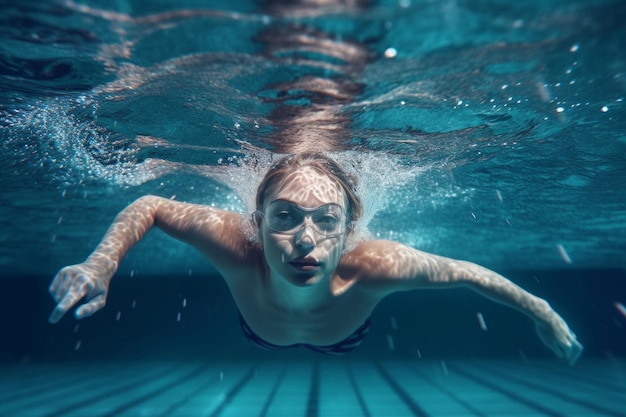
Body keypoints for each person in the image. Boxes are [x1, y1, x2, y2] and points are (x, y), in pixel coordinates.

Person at [49, 152, 583, 363]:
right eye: (284, 217)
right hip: (257, 329)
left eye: (326, 221)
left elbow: (469, 275)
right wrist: (101, 264)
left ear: (348, 230)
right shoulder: (238, 245)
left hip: (345, 336)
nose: (306, 241)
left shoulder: (376, 265)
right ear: (257, 222)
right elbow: (151, 204)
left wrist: (544, 311)